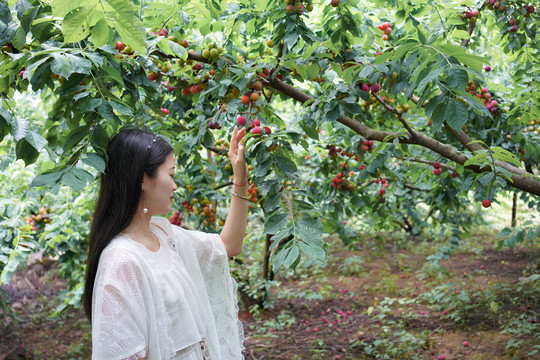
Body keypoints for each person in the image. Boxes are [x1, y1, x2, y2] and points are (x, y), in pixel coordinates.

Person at [83, 127, 249, 360]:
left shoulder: (164, 235)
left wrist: (240, 178)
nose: (174, 186)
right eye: (171, 175)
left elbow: (229, 245)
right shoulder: (121, 261)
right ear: (142, 178)